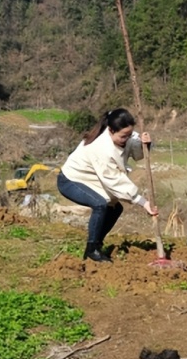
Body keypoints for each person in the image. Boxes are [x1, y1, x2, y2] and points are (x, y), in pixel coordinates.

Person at [56, 108, 159, 262]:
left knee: (115, 208)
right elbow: (114, 181)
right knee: (100, 205)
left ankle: (96, 244)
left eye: (130, 135)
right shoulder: (100, 148)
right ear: (110, 130)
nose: (127, 139)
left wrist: (145, 144)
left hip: (92, 178)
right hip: (71, 180)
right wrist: (143, 203)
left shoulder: (126, 134)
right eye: (123, 136)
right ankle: (92, 249)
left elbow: (137, 151)